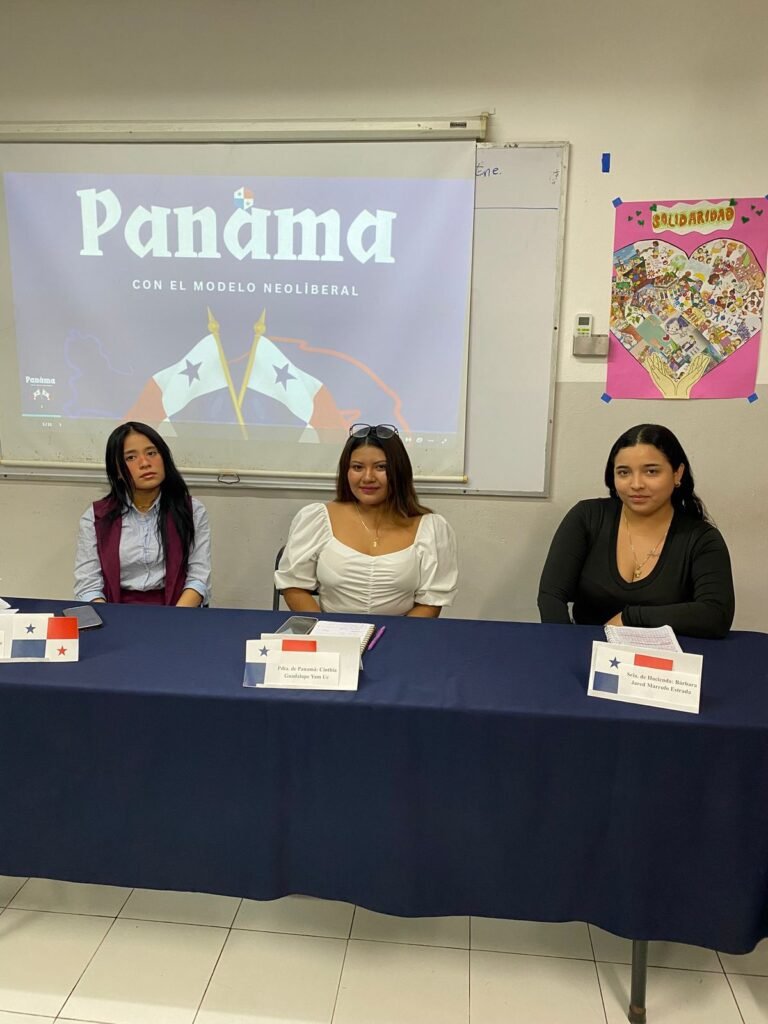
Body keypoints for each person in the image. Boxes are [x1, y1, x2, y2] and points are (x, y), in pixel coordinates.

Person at [537, 423, 734, 638]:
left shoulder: (702, 539)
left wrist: (630, 618)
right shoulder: (587, 517)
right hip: (587, 650)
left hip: (663, 656)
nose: (636, 484)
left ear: (678, 473)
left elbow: (715, 615)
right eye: (624, 472)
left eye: (651, 471)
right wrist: (565, 644)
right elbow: (551, 595)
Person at [275, 423, 458, 616]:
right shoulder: (316, 519)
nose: (368, 477)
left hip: (401, 632)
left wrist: (399, 633)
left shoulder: (431, 528)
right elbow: (294, 586)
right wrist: (326, 629)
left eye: (381, 467)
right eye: (357, 467)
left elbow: (431, 602)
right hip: (329, 631)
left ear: (399, 471)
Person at [74, 422, 211, 606]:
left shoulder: (192, 511)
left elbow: (198, 579)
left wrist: (175, 618)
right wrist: (111, 619)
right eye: (131, 457)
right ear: (117, 471)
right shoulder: (96, 517)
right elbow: (88, 586)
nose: (145, 463)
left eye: (151, 453)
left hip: (178, 609)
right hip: (114, 610)